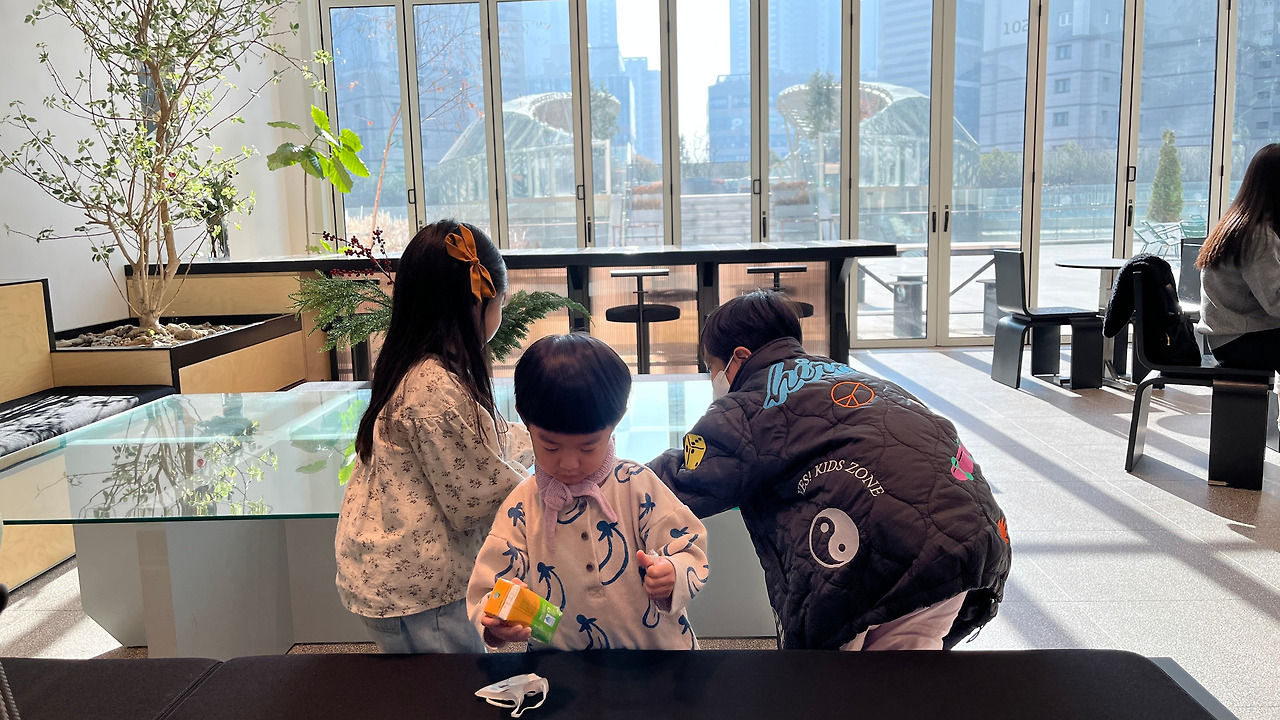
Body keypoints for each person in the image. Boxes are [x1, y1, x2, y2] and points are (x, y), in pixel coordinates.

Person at [649, 290, 1011, 651]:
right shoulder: (849, 375)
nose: (714, 379)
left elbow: (686, 477)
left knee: (835, 678)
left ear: (739, 358)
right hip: (972, 529)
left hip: (882, 550)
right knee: (908, 667)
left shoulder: (747, 405)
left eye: (712, 368)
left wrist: (622, 474)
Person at [335, 220, 533, 653]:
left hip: (391, 572)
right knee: (450, 684)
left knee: (419, 682)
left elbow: (483, 442)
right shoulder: (434, 388)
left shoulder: (416, 367)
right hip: (420, 589)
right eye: (501, 301)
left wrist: (537, 442)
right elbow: (477, 495)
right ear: (479, 301)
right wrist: (551, 485)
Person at [467, 333, 709, 651]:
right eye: (550, 446)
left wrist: (672, 572)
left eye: (588, 447)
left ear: (615, 423)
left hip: (655, 657)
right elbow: (487, 588)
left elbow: (689, 547)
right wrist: (497, 623)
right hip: (560, 664)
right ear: (524, 421)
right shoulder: (522, 506)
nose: (569, 464)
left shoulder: (637, 485)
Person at [1196, 142, 1280, 372]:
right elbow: (1275, 303)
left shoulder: (1240, 222)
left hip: (1231, 337)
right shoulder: (1258, 235)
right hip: (1242, 339)